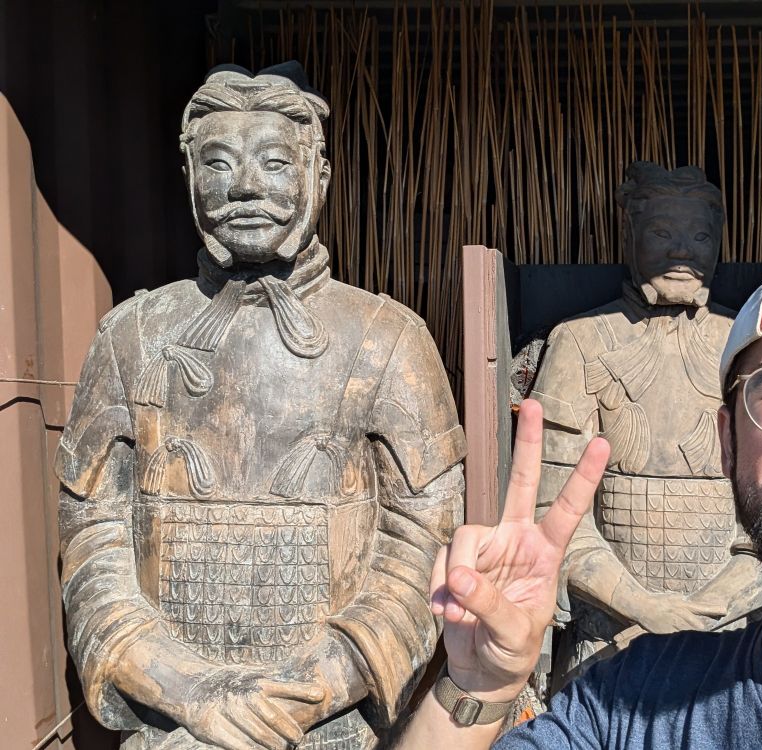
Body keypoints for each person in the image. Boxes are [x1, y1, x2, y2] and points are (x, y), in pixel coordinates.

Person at [398, 247, 762, 748]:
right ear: (727, 442)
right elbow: (566, 516)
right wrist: (477, 690)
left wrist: (707, 601)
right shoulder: (627, 707)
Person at [57, 65, 465, 750]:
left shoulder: (389, 337)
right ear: (189, 176)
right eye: (217, 163)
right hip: (173, 727)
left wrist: (306, 694)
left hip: (331, 723)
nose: (243, 187)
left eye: (274, 163)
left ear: (319, 178)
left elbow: (423, 544)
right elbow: (91, 540)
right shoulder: (130, 336)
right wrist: (186, 690)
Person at [528, 164, 762, 689]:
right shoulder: (581, 341)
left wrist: (713, 607)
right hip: (609, 640)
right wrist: (641, 606)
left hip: (731, 641)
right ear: (629, 236)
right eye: (662, 233)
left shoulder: (748, 347)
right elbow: (553, 514)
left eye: (700, 235)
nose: (683, 252)